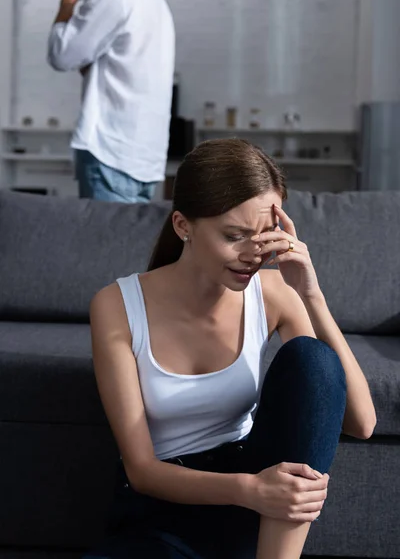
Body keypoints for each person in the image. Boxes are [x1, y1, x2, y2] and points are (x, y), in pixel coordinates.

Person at [86, 138, 376, 558]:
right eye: (235, 236)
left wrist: (310, 293)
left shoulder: (274, 293)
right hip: (164, 509)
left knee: (314, 359)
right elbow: (143, 471)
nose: (252, 255)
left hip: (258, 512)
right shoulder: (117, 305)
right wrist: (252, 489)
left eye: (264, 236)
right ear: (183, 225)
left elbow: (362, 422)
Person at [48, 0, 175, 203]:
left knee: (102, 240)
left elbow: (61, 55)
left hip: (110, 153)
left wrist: (69, 0)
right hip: (145, 158)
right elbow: (115, 67)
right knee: (132, 241)